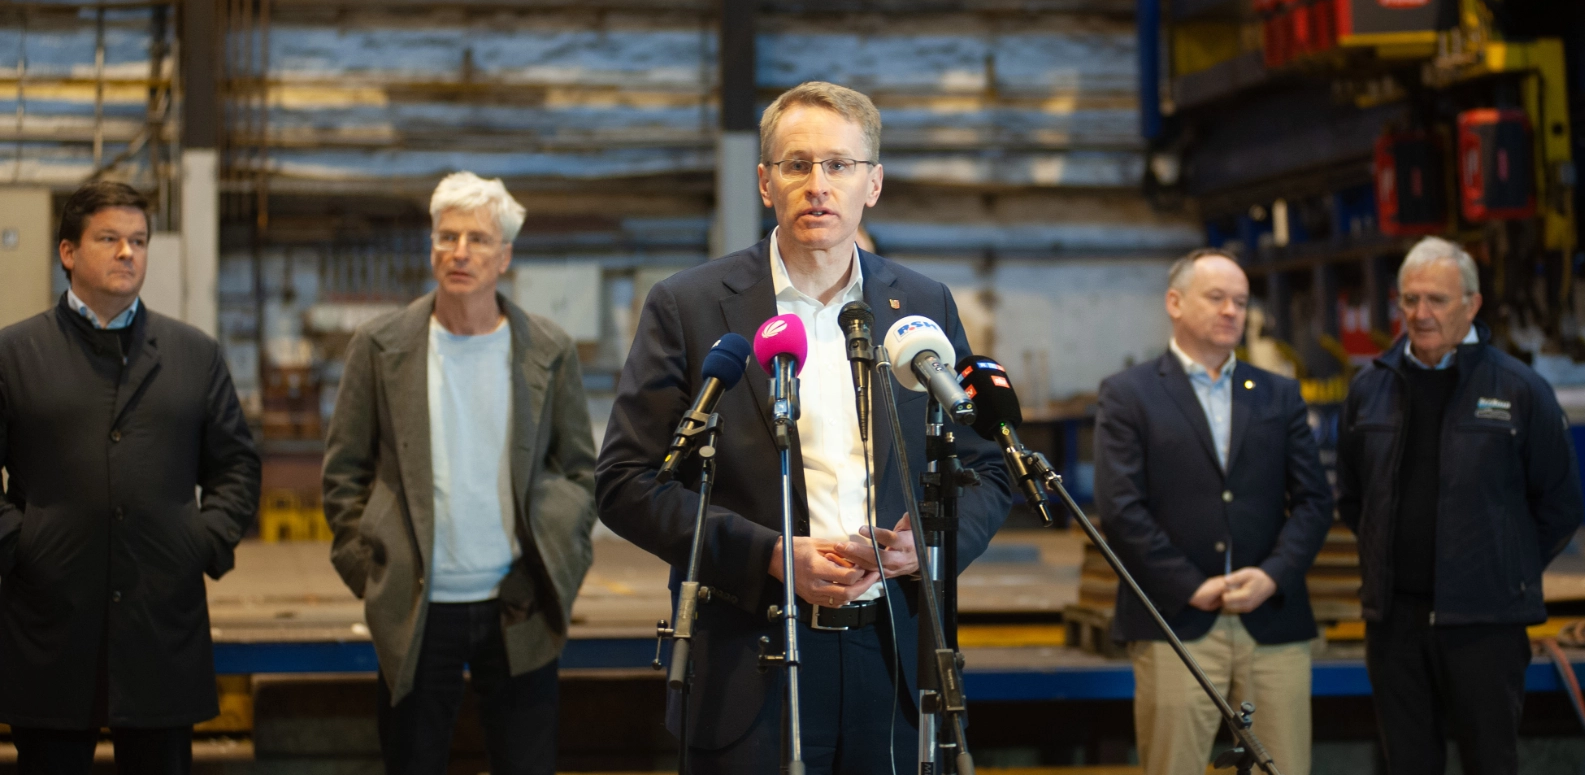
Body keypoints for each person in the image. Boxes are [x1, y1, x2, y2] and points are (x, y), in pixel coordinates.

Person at [596, 81, 1013, 775]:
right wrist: (769, 554)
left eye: (839, 165)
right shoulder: (689, 306)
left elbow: (990, 467)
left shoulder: (925, 305)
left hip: (894, 656)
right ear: (765, 182)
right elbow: (624, 482)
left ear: (872, 184)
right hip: (748, 661)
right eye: (796, 165)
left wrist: (930, 547)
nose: (817, 184)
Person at [322, 172, 598, 775]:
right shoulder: (380, 346)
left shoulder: (547, 349)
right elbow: (343, 473)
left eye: (476, 239)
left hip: (516, 600)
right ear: (431, 248)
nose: (459, 252)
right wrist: (373, 574)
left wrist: (555, 564)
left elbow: (579, 472)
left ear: (504, 257)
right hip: (417, 608)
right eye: (446, 237)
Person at [0, 180, 261, 774]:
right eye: (111, 239)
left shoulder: (194, 355)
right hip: (51, 623)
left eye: (138, 241)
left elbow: (237, 465)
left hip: (160, 623)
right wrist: (20, 543)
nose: (128, 253)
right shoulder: (15, 355)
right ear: (68, 253)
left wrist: (202, 539)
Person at [1337, 236, 1582, 775]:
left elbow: (1561, 504)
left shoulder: (1520, 390)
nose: (1420, 314)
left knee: (1490, 763)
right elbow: (1354, 501)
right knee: (1406, 764)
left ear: (1471, 304)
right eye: (1409, 300)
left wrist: (1502, 570)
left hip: (1485, 626)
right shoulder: (1367, 390)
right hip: (1394, 627)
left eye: (1437, 300)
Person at [1094, 247, 1333, 775]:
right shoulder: (1128, 395)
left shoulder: (1278, 394)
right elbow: (1120, 507)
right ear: (1175, 303)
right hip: (1176, 620)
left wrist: (1273, 576)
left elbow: (1315, 501)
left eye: (1242, 303)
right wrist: (1190, 585)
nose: (1232, 312)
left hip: (1271, 620)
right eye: (1218, 298)